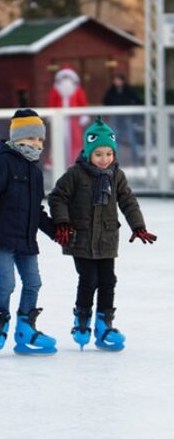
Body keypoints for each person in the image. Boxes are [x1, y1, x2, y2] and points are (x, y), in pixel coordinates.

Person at [48, 116, 157, 352]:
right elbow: (57, 197)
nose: (104, 159)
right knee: (89, 279)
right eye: (98, 154)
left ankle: (104, 323)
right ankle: (82, 320)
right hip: (81, 237)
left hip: (107, 237)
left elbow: (128, 201)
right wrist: (63, 222)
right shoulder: (75, 174)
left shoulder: (116, 175)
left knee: (108, 280)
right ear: (88, 153)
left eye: (109, 154)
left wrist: (138, 226)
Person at [0, 109, 57, 357]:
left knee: (33, 282)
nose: (36, 144)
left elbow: (37, 210)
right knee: (6, 281)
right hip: (2, 237)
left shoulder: (36, 172)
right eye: (31, 139)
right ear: (17, 139)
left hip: (26, 238)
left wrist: (55, 232)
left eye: (40, 140)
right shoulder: (4, 161)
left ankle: (25, 328)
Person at [47, 66, 89, 165]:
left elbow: (83, 103)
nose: (66, 81)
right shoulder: (55, 90)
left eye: (68, 78)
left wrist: (83, 115)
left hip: (73, 119)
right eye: (64, 78)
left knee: (76, 140)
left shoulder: (78, 90)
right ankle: (56, 162)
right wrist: (51, 115)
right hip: (59, 119)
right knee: (58, 140)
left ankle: (76, 160)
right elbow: (51, 103)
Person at [102, 73, 141, 164]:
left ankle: (136, 158)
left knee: (131, 138)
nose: (116, 82)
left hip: (126, 118)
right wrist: (107, 113)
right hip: (115, 118)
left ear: (122, 81)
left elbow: (137, 100)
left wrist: (132, 110)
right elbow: (105, 102)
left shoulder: (128, 90)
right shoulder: (111, 91)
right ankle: (115, 159)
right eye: (115, 80)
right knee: (115, 138)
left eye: (118, 80)